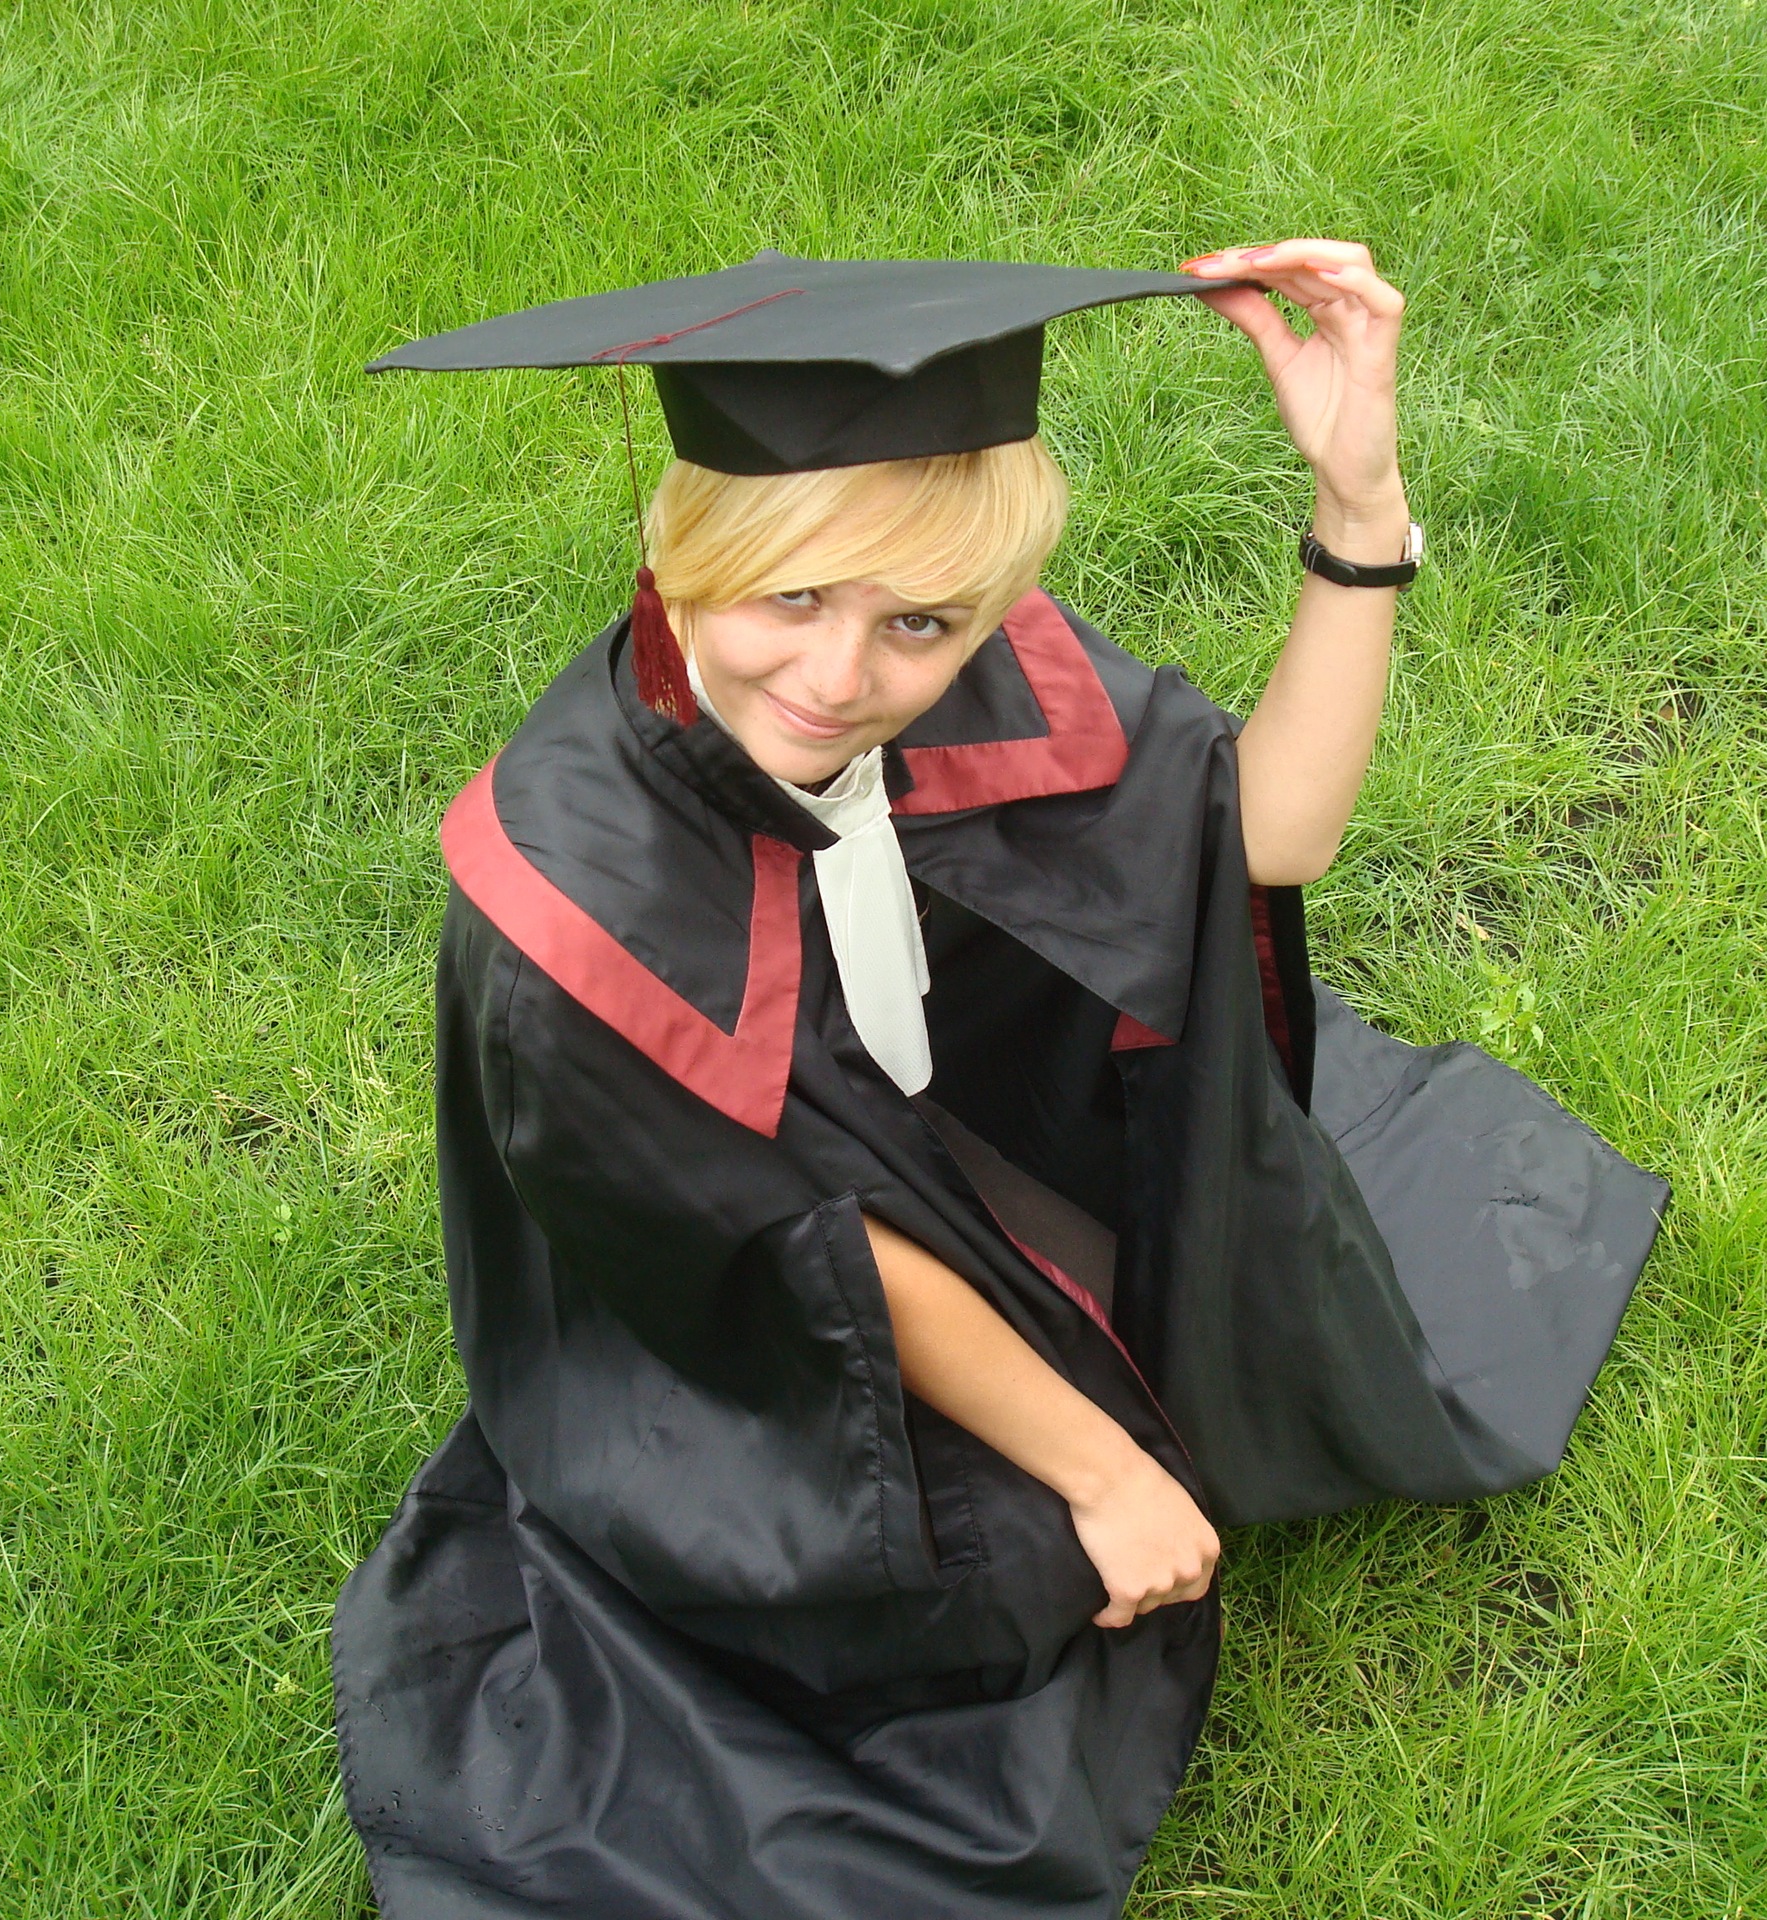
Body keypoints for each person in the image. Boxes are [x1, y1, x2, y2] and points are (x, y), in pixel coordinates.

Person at [333, 242, 1666, 1919]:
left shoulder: (964, 656)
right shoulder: (572, 915)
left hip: (917, 1141)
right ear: (681, 556)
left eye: (919, 622)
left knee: (1230, 1286)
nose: (840, 680)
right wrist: (1105, 1477)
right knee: (1007, 1594)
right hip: (732, 1309)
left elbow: (1270, 832)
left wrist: (1359, 506)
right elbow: (812, 1259)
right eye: (789, 597)